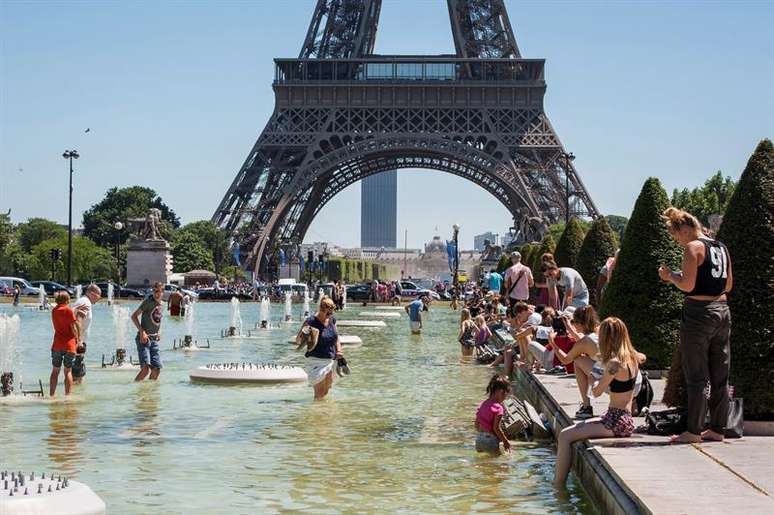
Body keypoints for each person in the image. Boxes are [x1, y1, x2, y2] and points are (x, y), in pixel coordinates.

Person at [659, 207, 733, 443]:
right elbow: (728, 285)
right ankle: (718, 429)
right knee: (720, 373)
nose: (678, 241)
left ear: (686, 228)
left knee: (697, 375)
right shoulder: (721, 246)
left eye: (677, 236)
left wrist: (671, 276)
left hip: (699, 314)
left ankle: (693, 431)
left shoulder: (693, 248)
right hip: (723, 311)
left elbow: (688, 286)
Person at [554, 317, 643, 486]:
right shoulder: (633, 357)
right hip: (624, 418)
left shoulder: (614, 364)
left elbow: (596, 392)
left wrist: (593, 378)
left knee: (565, 436)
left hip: (615, 422)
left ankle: (558, 486)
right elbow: (642, 356)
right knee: (575, 429)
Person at [552, 306, 601, 419]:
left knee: (578, 360)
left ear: (580, 323)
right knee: (583, 358)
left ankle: (586, 406)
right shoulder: (598, 332)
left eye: (574, 321)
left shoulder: (585, 341)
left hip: (611, 381)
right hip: (629, 380)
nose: (573, 324)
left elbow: (565, 360)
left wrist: (552, 342)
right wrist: (569, 327)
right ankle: (586, 405)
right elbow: (583, 340)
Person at [298, 296, 342, 400]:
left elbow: (337, 337)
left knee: (326, 390)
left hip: (330, 360)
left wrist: (339, 350)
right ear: (321, 309)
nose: (329, 315)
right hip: (315, 361)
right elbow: (298, 340)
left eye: (331, 313)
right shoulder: (310, 321)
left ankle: (323, 411)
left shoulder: (332, 320)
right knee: (319, 393)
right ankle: (316, 414)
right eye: (327, 313)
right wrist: (306, 333)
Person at [132, 282, 164, 382]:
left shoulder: (162, 304)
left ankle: (149, 393)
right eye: (155, 291)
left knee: (156, 369)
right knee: (145, 369)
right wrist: (142, 332)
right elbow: (134, 316)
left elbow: (158, 319)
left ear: (163, 291)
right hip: (143, 340)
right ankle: (134, 389)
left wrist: (159, 331)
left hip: (154, 340)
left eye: (159, 291)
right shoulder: (148, 302)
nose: (157, 293)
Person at [50, 291, 80, 396]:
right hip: (69, 345)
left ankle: (52, 395)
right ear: (67, 300)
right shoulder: (68, 310)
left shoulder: (54, 310)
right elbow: (73, 328)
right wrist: (78, 339)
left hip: (57, 344)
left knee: (55, 371)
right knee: (68, 371)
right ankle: (68, 396)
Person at [71, 284, 102, 385]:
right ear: (92, 294)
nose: (99, 298)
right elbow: (77, 320)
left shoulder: (83, 301)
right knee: (77, 372)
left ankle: (75, 389)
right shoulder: (86, 303)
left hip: (75, 340)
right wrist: (79, 340)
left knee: (77, 369)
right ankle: (76, 394)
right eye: (99, 295)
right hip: (77, 341)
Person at [474, 374, 512, 454]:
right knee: (497, 463)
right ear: (501, 392)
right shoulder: (498, 408)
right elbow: (496, 428)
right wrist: (505, 441)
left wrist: (483, 434)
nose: (505, 398)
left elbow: (476, 424)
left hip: (479, 439)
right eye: (505, 395)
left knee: (481, 463)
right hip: (490, 439)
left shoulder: (483, 404)